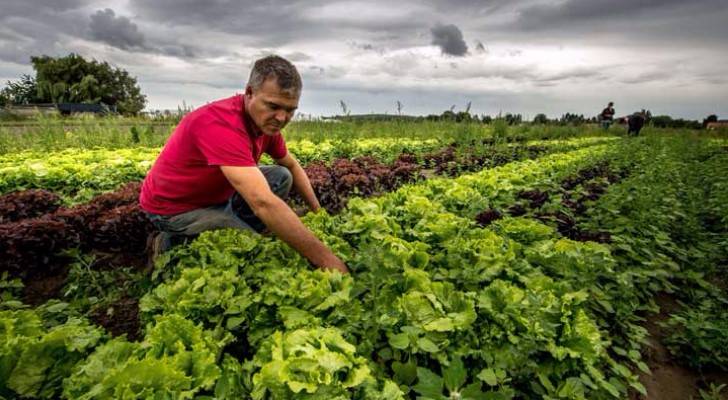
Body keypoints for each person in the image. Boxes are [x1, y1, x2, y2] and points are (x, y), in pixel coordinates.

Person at [140, 55, 348, 274]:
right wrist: (328, 261)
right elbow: (262, 203)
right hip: (175, 208)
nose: (281, 117)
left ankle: (235, 222)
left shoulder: (266, 124)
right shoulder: (220, 123)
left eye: (290, 110)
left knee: (281, 175)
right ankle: (168, 241)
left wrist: (318, 213)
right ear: (249, 93)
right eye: (273, 106)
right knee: (248, 246)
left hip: (217, 194)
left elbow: (293, 166)